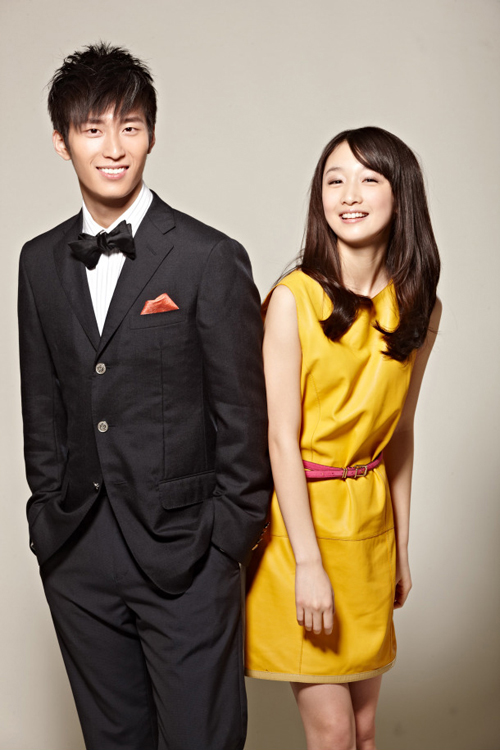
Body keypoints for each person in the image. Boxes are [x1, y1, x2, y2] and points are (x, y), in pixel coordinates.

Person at [18, 42, 271, 750]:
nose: (113, 147)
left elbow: (243, 416)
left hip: (187, 555)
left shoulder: (207, 257)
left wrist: (226, 541)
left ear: (151, 135)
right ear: (62, 141)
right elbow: (42, 407)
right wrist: (47, 521)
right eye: (92, 129)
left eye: (129, 127)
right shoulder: (38, 262)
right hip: (78, 552)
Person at [245, 126, 441, 750]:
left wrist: (400, 548)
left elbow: (401, 431)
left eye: (368, 179)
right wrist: (307, 564)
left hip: (369, 528)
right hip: (299, 530)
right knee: (331, 733)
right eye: (334, 180)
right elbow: (280, 440)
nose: (348, 194)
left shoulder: (419, 306)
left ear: (400, 195)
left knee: (363, 731)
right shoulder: (292, 300)